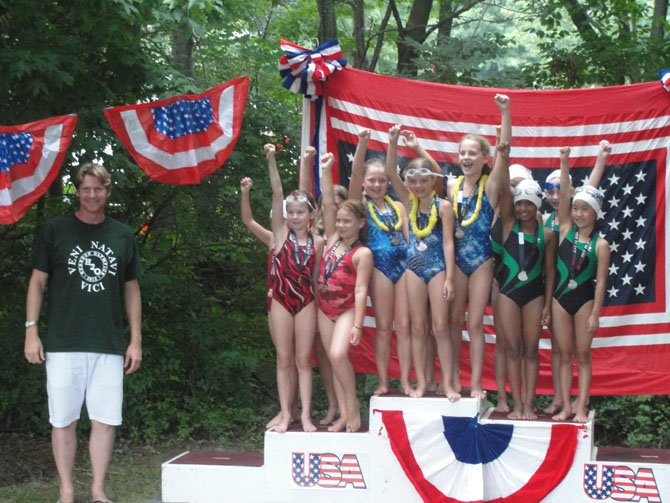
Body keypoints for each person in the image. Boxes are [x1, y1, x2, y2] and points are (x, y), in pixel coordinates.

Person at [24, 162, 143, 503]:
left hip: (107, 343)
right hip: (63, 343)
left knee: (105, 421)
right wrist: (32, 331)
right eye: (86, 188)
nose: (92, 195)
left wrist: (135, 339)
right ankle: (66, 491)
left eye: (99, 189)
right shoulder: (54, 229)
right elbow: (37, 281)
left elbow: (131, 288)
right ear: (77, 191)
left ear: (107, 192)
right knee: (63, 421)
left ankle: (97, 490)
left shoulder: (121, 234)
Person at [386, 126, 458, 399]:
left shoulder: (444, 207)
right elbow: (391, 173)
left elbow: (449, 242)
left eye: (423, 181)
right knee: (418, 327)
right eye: (413, 181)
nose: (418, 186)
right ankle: (422, 382)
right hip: (413, 268)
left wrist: (450, 277)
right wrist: (393, 142)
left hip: (438, 266)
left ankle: (448, 383)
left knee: (440, 327)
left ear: (432, 181)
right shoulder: (408, 201)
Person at [447, 94, 510, 399]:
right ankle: (452, 380)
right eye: (462, 153)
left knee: (474, 324)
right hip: (457, 260)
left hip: (482, 259)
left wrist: (505, 112)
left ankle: (475, 384)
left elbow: (506, 152)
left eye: (473, 153)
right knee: (452, 322)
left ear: (485, 157)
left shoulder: (492, 184)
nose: (467, 158)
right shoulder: (451, 186)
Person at [542, 140, 610, 415]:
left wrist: (595, 314)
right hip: (559, 299)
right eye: (576, 209)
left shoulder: (601, 245)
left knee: (582, 355)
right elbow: (566, 198)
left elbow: (602, 283)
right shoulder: (565, 227)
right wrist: (564, 161)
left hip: (583, 302)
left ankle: (581, 406)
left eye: (586, 209)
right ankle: (566, 406)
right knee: (563, 355)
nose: (579, 213)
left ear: (596, 213)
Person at [264, 144, 325, 433]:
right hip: (280, 300)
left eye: (301, 211)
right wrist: (271, 158)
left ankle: (306, 415)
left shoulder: (318, 242)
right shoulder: (279, 235)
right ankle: (286, 413)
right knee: (284, 359)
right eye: (291, 212)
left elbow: (314, 277)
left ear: (311, 215)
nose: (295, 216)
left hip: (306, 301)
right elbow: (278, 194)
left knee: (303, 361)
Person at [495, 141, 556, 419]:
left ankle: (529, 404)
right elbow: (505, 192)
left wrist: (546, 304)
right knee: (513, 349)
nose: (522, 209)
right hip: (508, 293)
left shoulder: (548, 234)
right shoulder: (508, 225)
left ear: (536, 205)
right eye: (518, 203)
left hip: (534, 295)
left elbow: (550, 271)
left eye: (527, 204)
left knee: (531, 351)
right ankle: (517, 403)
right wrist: (504, 156)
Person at [348, 129, 412, 396]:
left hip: (405, 266)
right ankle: (384, 381)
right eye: (372, 181)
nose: (377, 185)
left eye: (382, 181)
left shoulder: (397, 206)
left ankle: (407, 381)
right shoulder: (361, 205)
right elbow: (352, 179)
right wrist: (362, 145)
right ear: (364, 182)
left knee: (406, 326)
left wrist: (392, 144)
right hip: (380, 269)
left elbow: (408, 236)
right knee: (385, 327)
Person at [318, 152, 373, 432]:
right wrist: (327, 171)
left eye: (347, 222)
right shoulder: (331, 238)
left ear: (361, 223)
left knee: (339, 355)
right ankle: (342, 415)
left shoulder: (362, 253)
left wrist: (358, 324)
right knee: (331, 359)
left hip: (345, 309)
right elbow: (328, 202)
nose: (340, 225)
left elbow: (362, 289)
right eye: (338, 221)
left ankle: (353, 411)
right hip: (323, 308)